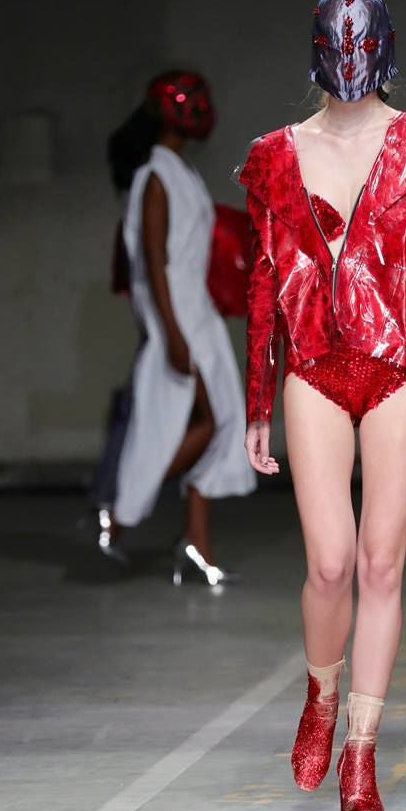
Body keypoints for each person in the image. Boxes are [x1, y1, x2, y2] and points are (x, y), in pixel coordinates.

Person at [237, 0, 406, 811]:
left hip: (397, 367)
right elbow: (263, 281)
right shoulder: (273, 156)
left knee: (380, 563)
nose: (348, 58)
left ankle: (361, 752)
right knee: (330, 563)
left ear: (381, 47)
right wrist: (256, 401)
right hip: (312, 366)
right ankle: (320, 691)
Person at [99, 71, 255, 584]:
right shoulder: (154, 176)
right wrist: (170, 332)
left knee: (226, 422)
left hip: (197, 311)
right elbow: (153, 261)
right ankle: (118, 514)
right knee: (204, 424)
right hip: (179, 316)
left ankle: (196, 544)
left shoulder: (181, 172)